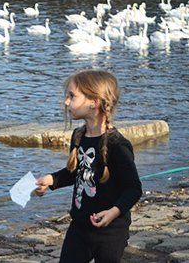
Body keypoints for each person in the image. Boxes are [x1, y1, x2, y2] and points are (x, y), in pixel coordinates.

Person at [35, 70, 142, 263]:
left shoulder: (117, 145)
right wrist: (51, 180)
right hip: (80, 225)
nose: (66, 102)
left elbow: (133, 189)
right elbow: (77, 172)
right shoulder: (78, 136)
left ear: (94, 102)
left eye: (72, 96)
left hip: (111, 230)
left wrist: (114, 212)